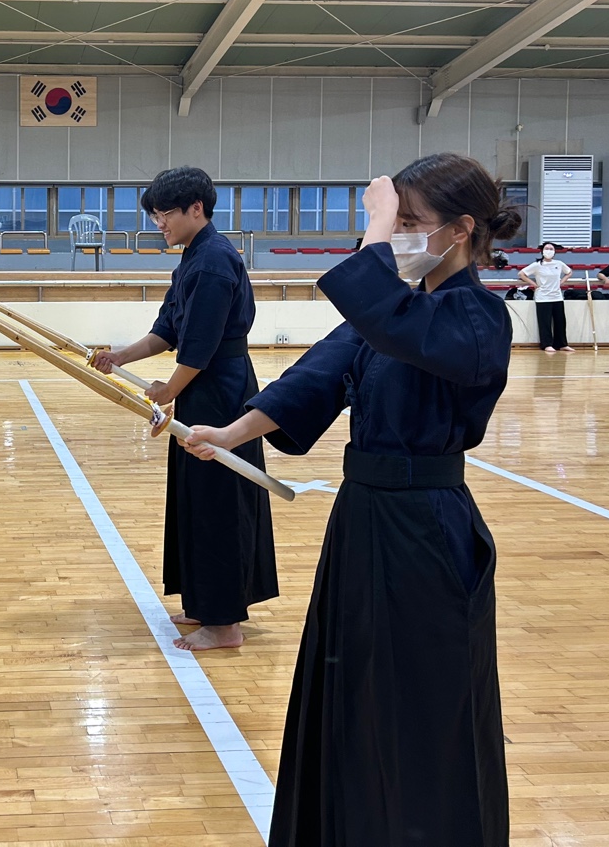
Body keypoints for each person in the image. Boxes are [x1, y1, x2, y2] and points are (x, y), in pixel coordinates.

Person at [183, 152, 520, 846]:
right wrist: (229, 434)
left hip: (427, 531)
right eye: (396, 223)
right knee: (351, 688)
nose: (399, 236)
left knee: (425, 704)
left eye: (411, 223)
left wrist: (376, 226)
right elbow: (317, 377)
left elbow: (385, 315)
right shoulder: (397, 309)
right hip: (363, 520)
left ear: (460, 230)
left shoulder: (477, 316)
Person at [91, 167, 277, 652]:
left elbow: (200, 345)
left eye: (166, 214)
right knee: (196, 498)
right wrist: (119, 358)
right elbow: (169, 330)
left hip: (221, 391)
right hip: (202, 385)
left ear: (197, 208)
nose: (160, 224)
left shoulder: (214, 261)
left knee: (218, 502)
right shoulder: (194, 257)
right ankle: (204, 602)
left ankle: (225, 622)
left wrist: (169, 389)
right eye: (155, 215)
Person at [519, 241, 573, 352]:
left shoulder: (559, 263)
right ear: (542, 251)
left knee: (560, 322)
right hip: (543, 297)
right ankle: (546, 344)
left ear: (554, 252)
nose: (549, 251)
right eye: (546, 248)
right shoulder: (537, 265)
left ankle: (562, 344)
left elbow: (569, 272)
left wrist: (561, 282)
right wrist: (534, 284)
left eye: (551, 249)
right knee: (545, 323)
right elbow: (521, 274)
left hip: (557, 297)